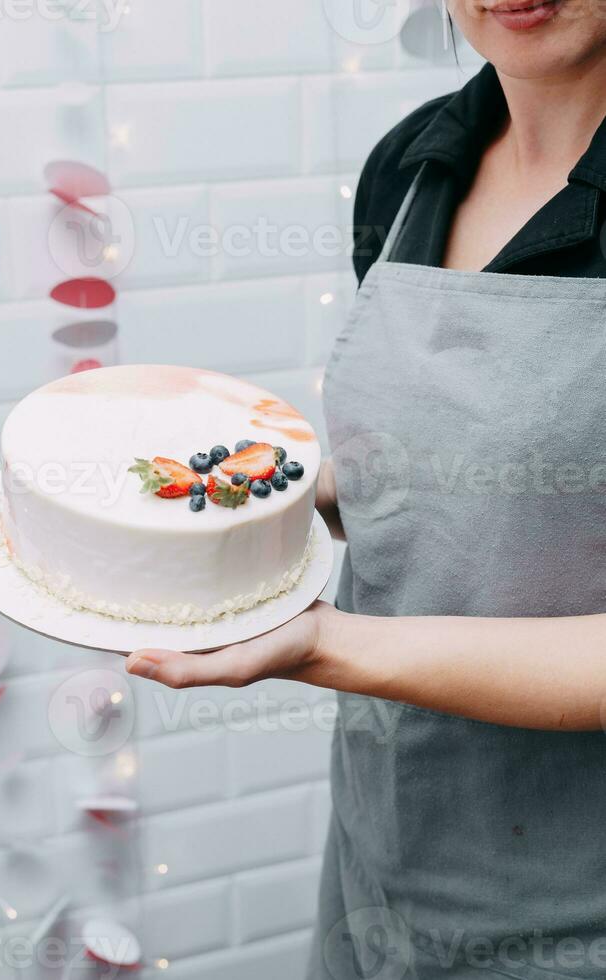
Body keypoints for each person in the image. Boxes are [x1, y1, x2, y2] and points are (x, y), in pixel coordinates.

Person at [126, 5, 606, 977]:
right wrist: (263, 504)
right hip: (386, 861)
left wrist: (332, 643)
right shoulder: (410, 165)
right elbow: (448, 472)